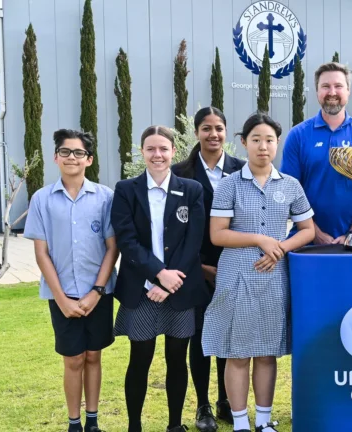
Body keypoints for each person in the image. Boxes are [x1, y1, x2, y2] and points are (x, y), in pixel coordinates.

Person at [204, 113, 315, 432]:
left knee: (267, 352)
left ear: (277, 143)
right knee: (238, 353)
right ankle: (240, 423)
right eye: (256, 140)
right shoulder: (229, 185)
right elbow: (218, 235)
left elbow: (308, 229)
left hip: (274, 277)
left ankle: (264, 422)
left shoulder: (290, 185)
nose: (263, 146)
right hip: (237, 274)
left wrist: (281, 247)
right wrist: (260, 239)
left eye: (269, 140)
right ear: (243, 143)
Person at [111, 125, 207, 432]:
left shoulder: (191, 190)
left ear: (173, 152)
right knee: (140, 358)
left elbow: (194, 242)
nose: (157, 155)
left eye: (163, 149)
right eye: (151, 149)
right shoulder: (126, 190)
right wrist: (157, 275)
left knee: (177, 359)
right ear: (142, 152)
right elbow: (126, 240)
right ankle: (135, 425)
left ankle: (175, 424)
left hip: (179, 288)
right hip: (141, 289)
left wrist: (169, 282)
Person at [25, 129, 118, 432]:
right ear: (56, 157)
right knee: (73, 359)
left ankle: (92, 420)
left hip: (98, 294)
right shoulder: (42, 199)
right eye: (65, 152)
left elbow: (112, 248)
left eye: (78, 153)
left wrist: (96, 291)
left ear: (88, 159)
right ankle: (74, 423)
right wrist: (62, 299)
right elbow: (42, 254)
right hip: (61, 294)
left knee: (93, 356)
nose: (71, 158)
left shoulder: (105, 197)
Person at [172, 106, 246, 431]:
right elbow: (173, 231)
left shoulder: (241, 170)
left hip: (234, 269)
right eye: (206, 128)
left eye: (218, 128)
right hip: (195, 271)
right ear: (197, 132)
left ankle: (226, 400)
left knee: (229, 339)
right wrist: (199, 267)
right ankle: (203, 407)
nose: (213, 134)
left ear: (226, 132)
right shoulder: (181, 173)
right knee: (201, 340)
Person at [281, 62, 352, 243]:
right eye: (325, 86)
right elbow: (290, 191)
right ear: (317, 91)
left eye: (338, 86)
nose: (332, 92)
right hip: (306, 242)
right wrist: (314, 233)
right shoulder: (298, 136)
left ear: (348, 91)